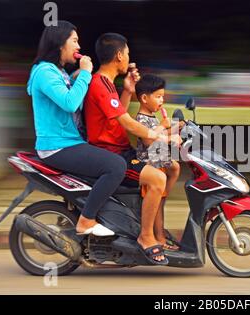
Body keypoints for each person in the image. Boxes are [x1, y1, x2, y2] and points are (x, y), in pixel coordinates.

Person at [84, 33, 180, 264]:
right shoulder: (99, 84)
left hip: (120, 149)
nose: (128, 58)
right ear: (119, 55)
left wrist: (127, 90)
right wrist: (156, 134)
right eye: (127, 53)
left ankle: (155, 229)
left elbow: (116, 116)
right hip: (112, 154)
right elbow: (127, 122)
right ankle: (146, 236)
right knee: (157, 179)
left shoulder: (107, 84)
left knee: (168, 168)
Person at [27, 21, 127, 237]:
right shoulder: (45, 72)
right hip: (57, 146)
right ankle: (86, 220)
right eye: (74, 41)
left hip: (71, 142)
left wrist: (75, 79)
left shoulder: (58, 72)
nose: (78, 46)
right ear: (59, 43)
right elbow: (70, 103)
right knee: (116, 166)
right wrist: (84, 74)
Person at [135, 74, 182, 251]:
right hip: (150, 166)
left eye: (163, 96)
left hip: (160, 162)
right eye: (158, 96)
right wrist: (164, 127)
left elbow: (162, 137)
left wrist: (179, 128)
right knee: (157, 204)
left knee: (175, 167)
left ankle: (163, 198)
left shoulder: (153, 118)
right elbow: (149, 140)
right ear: (145, 98)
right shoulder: (141, 119)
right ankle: (159, 238)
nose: (161, 100)